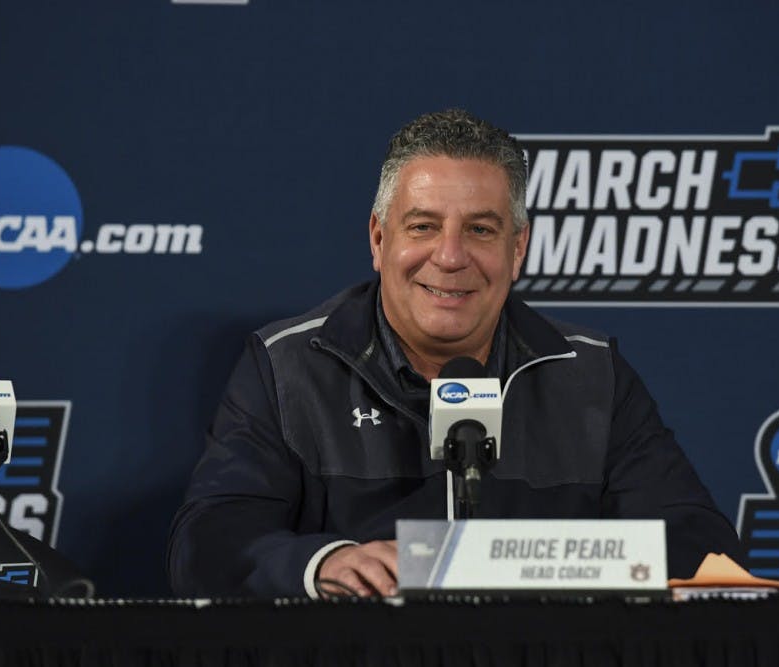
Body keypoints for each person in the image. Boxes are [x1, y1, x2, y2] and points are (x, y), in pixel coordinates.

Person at [167, 109, 741, 599]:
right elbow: (209, 544)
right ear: (378, 239)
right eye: (422, 226)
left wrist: (548, 567)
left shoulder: (591, 377)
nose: (449, 256)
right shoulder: (288, 367)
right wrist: (322, 565)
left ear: (518, 250)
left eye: (481, 231)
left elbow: (702, 548)